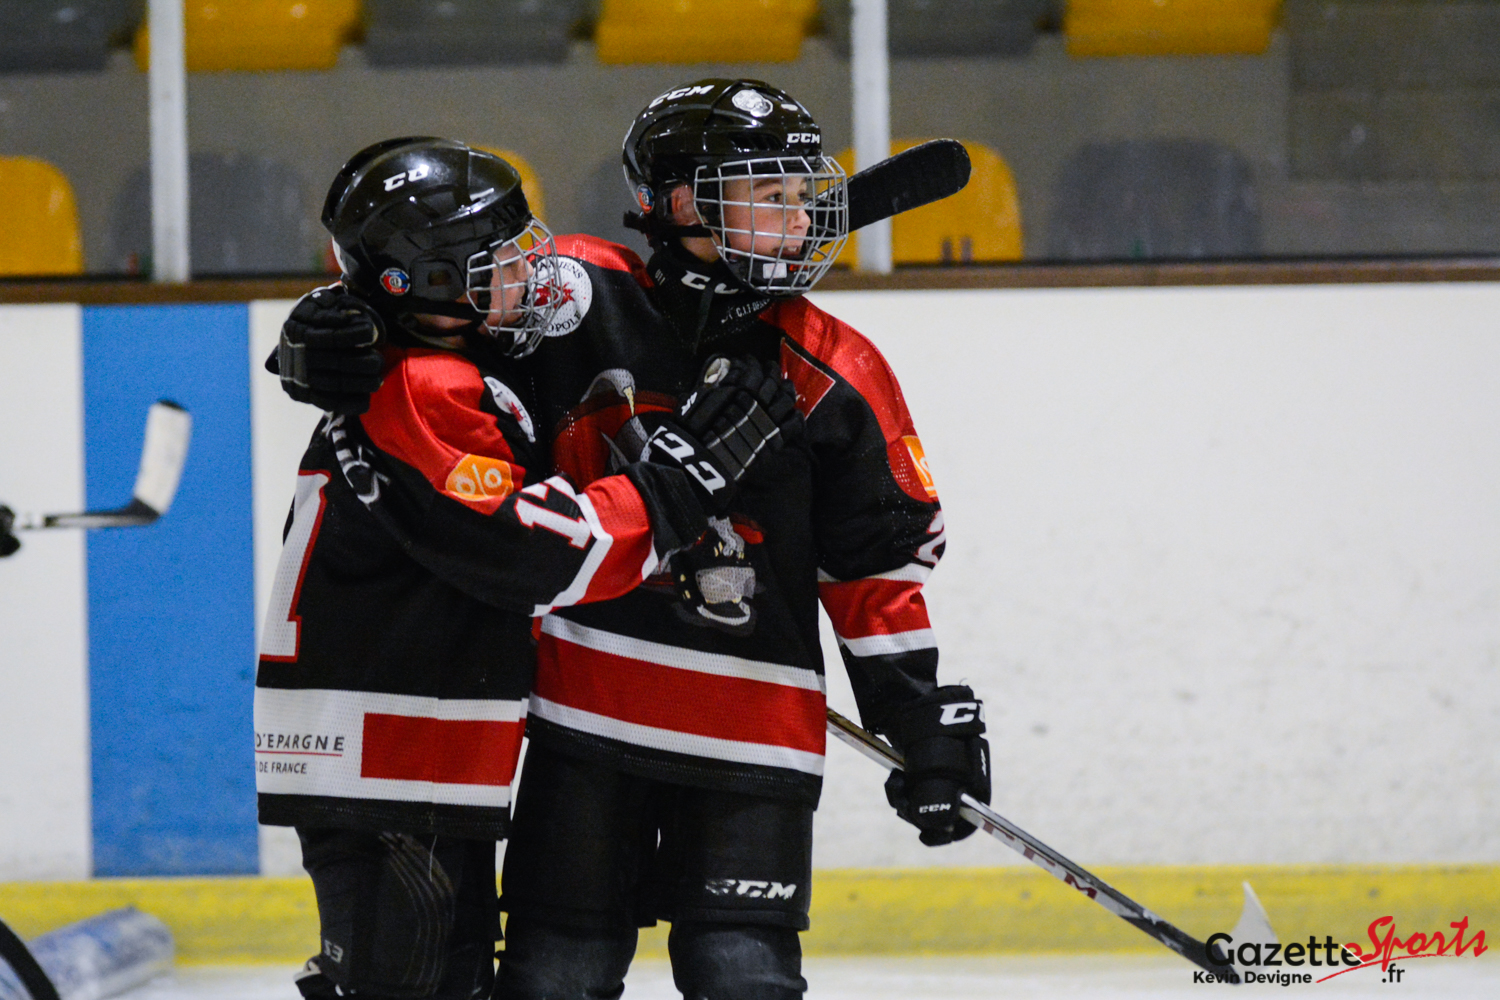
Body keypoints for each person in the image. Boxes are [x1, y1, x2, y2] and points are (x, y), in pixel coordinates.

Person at [275, 80, 993, 1000]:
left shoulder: (834, 368)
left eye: (803, 194)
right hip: (585, 720)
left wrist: (921, 718)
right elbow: (443, 292)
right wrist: (338, 330)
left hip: (754, 733)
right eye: (769, 195)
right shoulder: (577, 296)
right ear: (684, 204)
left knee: (742, 975)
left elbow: (873, 572)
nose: (800, 219)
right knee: (555, 973)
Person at [256, 136, 794, 1000]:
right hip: (392, 750)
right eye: (497, 265)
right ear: (427, 284)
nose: (529, 275)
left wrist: (334, 311)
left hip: (407, 749)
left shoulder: (438, 352)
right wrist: (684, 479)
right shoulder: (426, 384)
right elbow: (537, 556)